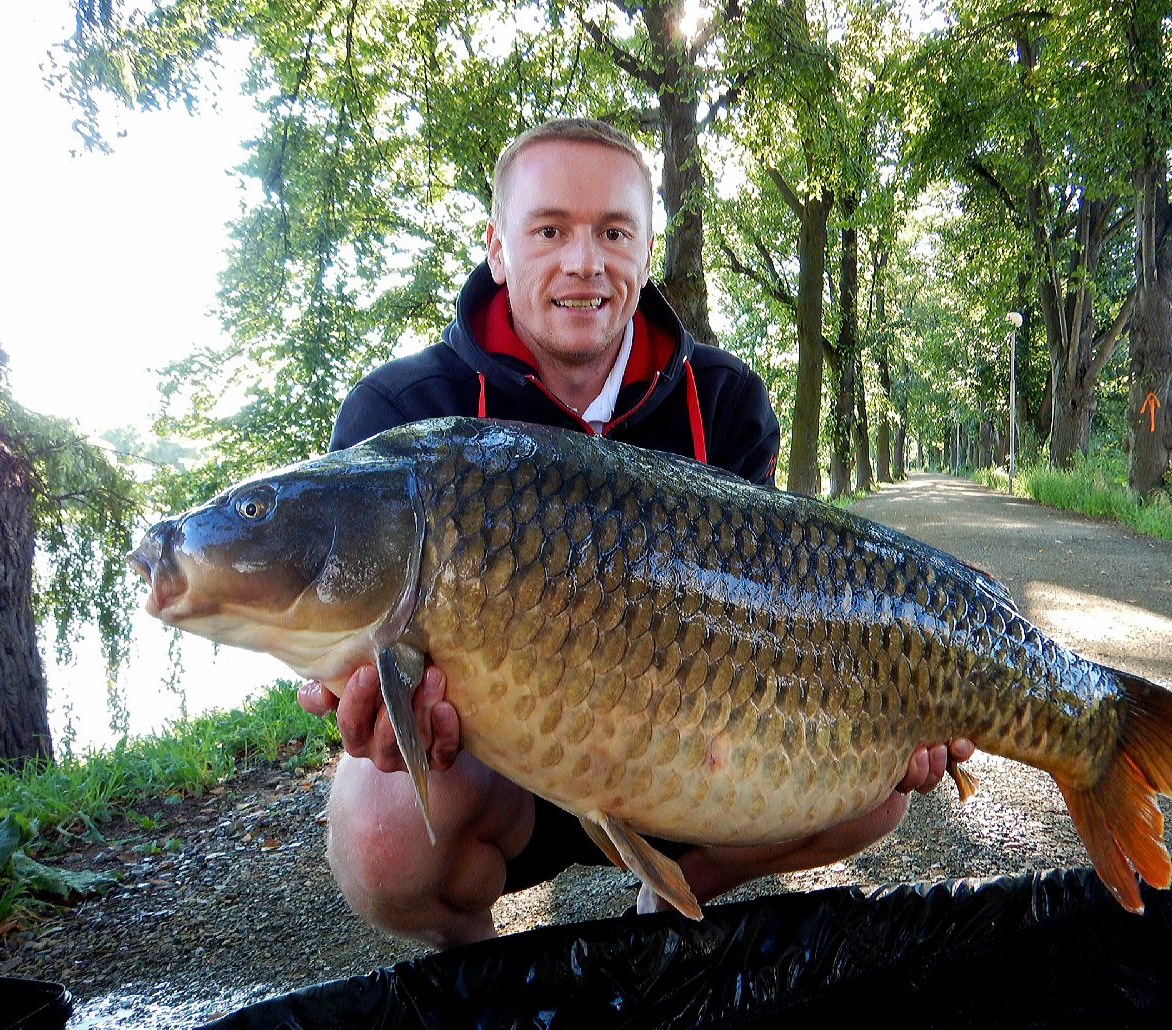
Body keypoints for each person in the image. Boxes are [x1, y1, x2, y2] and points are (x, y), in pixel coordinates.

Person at [298, 118, 973, 948]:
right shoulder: (401, 416)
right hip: (498, 763)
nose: (584, 261)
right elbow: (349, 651)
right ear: (498, 248)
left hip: (685, 756)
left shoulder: (723, 400)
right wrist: (368, 705)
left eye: (614, 233)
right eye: (550, 230)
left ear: (647, 253)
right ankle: (488, 987)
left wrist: (902, 701)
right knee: (379, 832)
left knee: (877, 793)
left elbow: (778, 610)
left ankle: (673, 901)